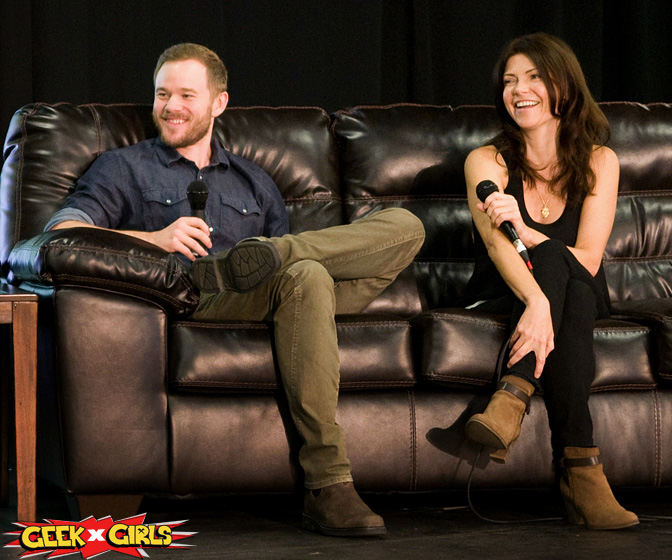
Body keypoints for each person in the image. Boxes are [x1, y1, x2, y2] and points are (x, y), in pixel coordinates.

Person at [44, 43, 425, 537]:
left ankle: (275, 254)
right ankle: (328, 484)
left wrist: (277, 255)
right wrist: (156, 239)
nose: (171, 107)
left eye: (186, 95)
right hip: (190, 294)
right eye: (163, 94)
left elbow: (298, 267)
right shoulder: (124, 167)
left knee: (405, 228)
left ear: (219, 103)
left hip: (273, 290)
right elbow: (61, 233)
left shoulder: (255, 181)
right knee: (308, 275)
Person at [461, 33, 638, 530]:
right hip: (506, 290)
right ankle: (582, 471)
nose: (519, 90)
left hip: (577, 279)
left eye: (534, 77)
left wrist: (524, 227)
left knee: (562, 262)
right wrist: (537, 302)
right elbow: (498, 246)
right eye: (510, 81)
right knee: (566, 286)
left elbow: (588, 257)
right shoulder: (487, 161)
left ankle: (513, 395)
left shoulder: (601, 161)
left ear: (564, 85)